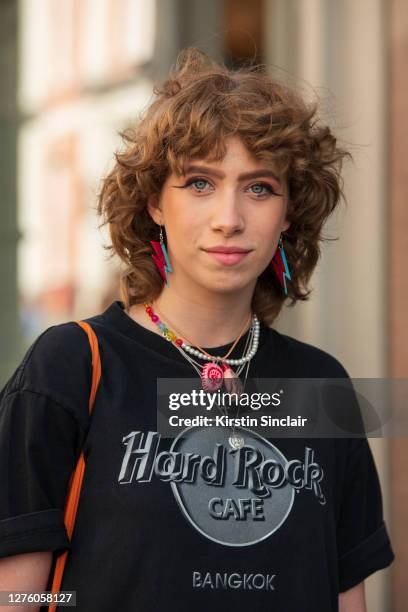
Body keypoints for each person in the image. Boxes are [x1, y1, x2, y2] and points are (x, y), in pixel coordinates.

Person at [0, 47, 394, 612]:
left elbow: (344, 597)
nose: (229, 217)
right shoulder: (73, 365)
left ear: (287, 214)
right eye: (200, 183)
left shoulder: (321, 386)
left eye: (259, 187)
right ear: (156, 201)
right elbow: (13, 596)